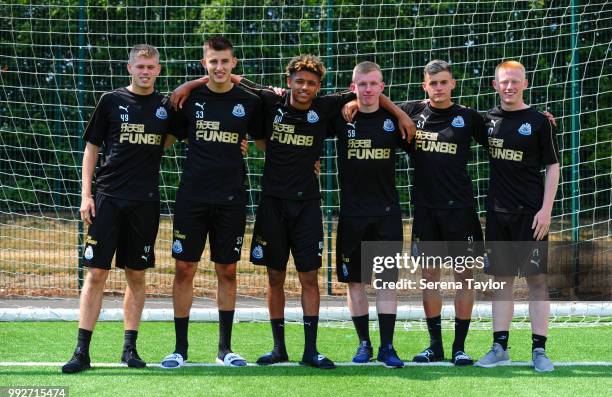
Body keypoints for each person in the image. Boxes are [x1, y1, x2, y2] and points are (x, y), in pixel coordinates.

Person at [173, 53, 415, 368]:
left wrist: (400, 114)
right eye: (299, 81)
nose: (305, 87)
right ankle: (279, 348)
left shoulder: (327, 107)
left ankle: (311, 351)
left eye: (311, 83)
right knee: (275, 276)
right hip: (272, 202)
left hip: (308, 205)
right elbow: (228, 77)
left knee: (309, 277)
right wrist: (190, 84)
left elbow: (367, 91)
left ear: (318, 87)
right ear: (289, 83)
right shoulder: (270, 101)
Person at [343, 59, 485, 365]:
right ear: (425, 86)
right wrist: (361, 104)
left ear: (452, 84)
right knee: (429, 276)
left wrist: (538, 119)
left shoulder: (468, 117)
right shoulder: (412, 111)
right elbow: (375, 94)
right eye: (433, 83)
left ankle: (460, 347)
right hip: (425, 209)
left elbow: (501, 134)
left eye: (443, 82)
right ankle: (435, 346)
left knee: (464, 276)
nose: (438, 88)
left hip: (461, 209)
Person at [62, 44, 175, 373]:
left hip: (145, 202)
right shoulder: (111, 101)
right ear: (129, 68)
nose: (145, 71)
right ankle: (81, 352)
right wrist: (86, 195)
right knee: (96, 274)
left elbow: (177, 137)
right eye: (140, 66)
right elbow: (91, 148)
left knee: (136, 275)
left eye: (151, 67)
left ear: (158, 70)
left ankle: (129, 349)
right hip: (108, 198)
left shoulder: (166, 107)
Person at [160, 36, 263, 369]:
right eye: (212, 62)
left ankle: (225, 349)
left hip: (232, 197)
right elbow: (163, 141)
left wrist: (306, 162)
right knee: (184, 269)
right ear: (204, 64)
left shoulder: (249, 100)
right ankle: (180, 348)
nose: (219, 67)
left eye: (225, 61)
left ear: (234, 64)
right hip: (192, 197)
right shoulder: (188, 100)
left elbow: (265, 143)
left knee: (228, 271)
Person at [475, 60, 559, 373]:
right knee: (501, 281)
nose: (509, 87)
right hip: (498, 214)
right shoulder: (486, 121)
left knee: (536, 281)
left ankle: (539, 350)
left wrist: (546, 209)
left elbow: (553, 166)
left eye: (514, 81)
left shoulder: (540, 122)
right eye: (503, 82)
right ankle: (500, 347)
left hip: (531, 215)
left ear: (524, 84)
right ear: (495, 86)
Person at [329, 61, 409, 368]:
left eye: (374, 84)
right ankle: (364, 344)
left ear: (382, 87)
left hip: (386, 215)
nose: (368, 89)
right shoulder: (340, 116)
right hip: (351, 216)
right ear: (353, 88)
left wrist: (400, 112)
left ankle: (388, 346)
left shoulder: (395, 119)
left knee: (387, 282)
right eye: (362, 84)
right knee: (356, 283)